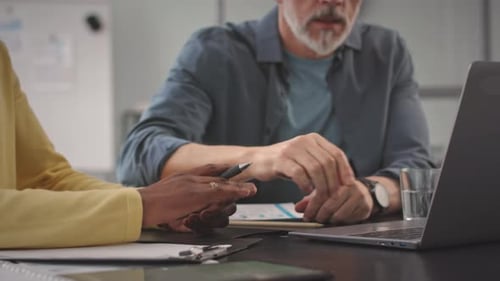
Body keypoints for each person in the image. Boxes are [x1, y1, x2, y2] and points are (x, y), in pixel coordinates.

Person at [118, 0, 434, 225]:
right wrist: (262, 158)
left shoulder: (387, 51)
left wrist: (373, 193)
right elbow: (140, 152)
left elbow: (416, 164)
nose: (333, 2)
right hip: (235, 247)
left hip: (354, 242)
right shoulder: (215, 50)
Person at [0, 42, 257, 249]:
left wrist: (161, 206)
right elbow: (142, 150)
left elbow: (47, 179)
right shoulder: (215, 48)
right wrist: (143, 205)